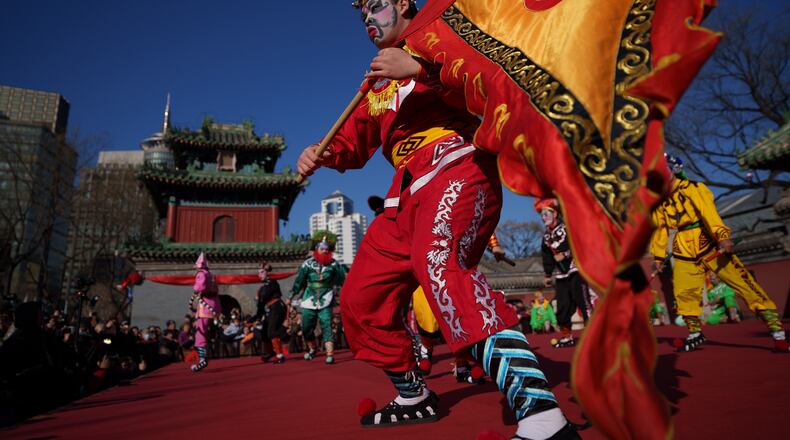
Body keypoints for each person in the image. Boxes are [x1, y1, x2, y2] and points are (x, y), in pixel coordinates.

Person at [296, 2, 576, 438]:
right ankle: (413, 394)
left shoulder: (447, 35)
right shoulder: (375, 82)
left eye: (376, 6)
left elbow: (494, 81)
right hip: (403, 195)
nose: (368, 20)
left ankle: (542, 414)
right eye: (361, 14)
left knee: (440, 265)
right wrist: (323, 152)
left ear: (404, 2)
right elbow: (353, 142)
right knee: (359, 298)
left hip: (457, 167)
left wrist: (422, 68)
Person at [650, 155, 788, 353]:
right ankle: (695, 333)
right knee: (683, 292)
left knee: (743, 284)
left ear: (673, 170)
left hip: (708, 240)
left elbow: (708, 213)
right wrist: (657, 256)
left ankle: (777, 333)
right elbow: (660, 229)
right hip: (683, 246)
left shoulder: (693, 189)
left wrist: (722, 236)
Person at [537, 198, 588, 348]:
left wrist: (565, 254)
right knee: (563, 306)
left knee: (583, 302)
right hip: (561, 275)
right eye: (542, 214)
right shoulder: (546, 237)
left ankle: (593, 334)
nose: (543, 217)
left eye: (546, 213)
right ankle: (566, 336)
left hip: (576, 270)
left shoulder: (567, 228)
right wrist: (547, 275)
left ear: (555, 213)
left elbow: (579, 243)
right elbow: (546, 256)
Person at [289, 233, 346, 364]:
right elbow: (299, 281)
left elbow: (343, 280)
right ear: (316, 249)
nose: (325, 251)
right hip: (309, 298)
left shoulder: (334, 265)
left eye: (327, 249)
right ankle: (312, 348)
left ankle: (330, 354)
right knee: (306, 327)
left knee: (326, 323)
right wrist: (291, 295)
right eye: (322, 249)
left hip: (326, 296)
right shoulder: (307, 264)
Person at [188, 253, 221, 371]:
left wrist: (195, 288)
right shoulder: (211, 275)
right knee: (206, 332)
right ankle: (204, 356)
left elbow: (199, 287)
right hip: (213, 306)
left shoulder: (201, 274)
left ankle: (202, 360)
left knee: (200, 333)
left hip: (204, 307)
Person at [257, 262, 289, 364]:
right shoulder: (263, 286)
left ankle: (279, 354)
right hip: (271, 308)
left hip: (277, 307)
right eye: (258, 273)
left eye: (262, 272)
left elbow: (265, 295)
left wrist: (260, 297)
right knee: (264, 331)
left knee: (272, 331)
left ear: (267, 272)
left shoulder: (272, 282)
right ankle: (270, 352)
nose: (260, 274)